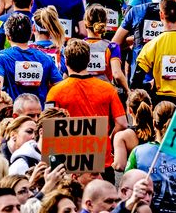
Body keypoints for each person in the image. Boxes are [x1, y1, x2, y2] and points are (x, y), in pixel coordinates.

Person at [46, 39, 127, 173]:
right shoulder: (107, 88)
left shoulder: (55, 92)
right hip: (101, 160)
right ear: (89, 61)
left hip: (69, 162)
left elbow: (49, 127)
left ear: (66, 62)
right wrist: (108, 139)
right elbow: (122, 123)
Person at [0, 13, 62, 105]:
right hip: (38, 114)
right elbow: (59, 87)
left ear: (8, 37)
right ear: (30, 35)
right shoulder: (46, 58)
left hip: (13, 115)